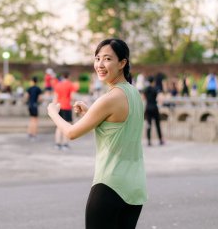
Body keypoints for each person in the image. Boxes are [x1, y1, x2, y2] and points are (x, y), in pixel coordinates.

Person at [48, 38, 146, 228]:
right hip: (135, 187)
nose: (100, 65)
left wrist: (53, 113)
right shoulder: (133, 93)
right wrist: (90, 111)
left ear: (122, 63)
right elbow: (117, 125)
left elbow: (71, 133)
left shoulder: (110, 98)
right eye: (97, 58)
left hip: (110, 186)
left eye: (107, 59)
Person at [53, 71, 77, 150]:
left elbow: (55, 98)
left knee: (59, 126)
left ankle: (57, 144)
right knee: (66, 126)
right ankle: (65, 144)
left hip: (59, 107)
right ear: (68, 76)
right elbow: (72, 97)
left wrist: (54, 108)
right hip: (67, 107)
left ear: (63, 76)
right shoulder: (70, 84)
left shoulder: (58, 85)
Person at [144, 76, 164, 146]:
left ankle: (149, 141)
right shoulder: (155, 89)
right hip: (154, 108)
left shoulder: (145, 89)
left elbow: (144, 98)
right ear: (153, 82)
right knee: (157, 124)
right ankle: (160, 140)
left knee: (149, 124)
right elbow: (160, 98)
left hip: (148, 108)